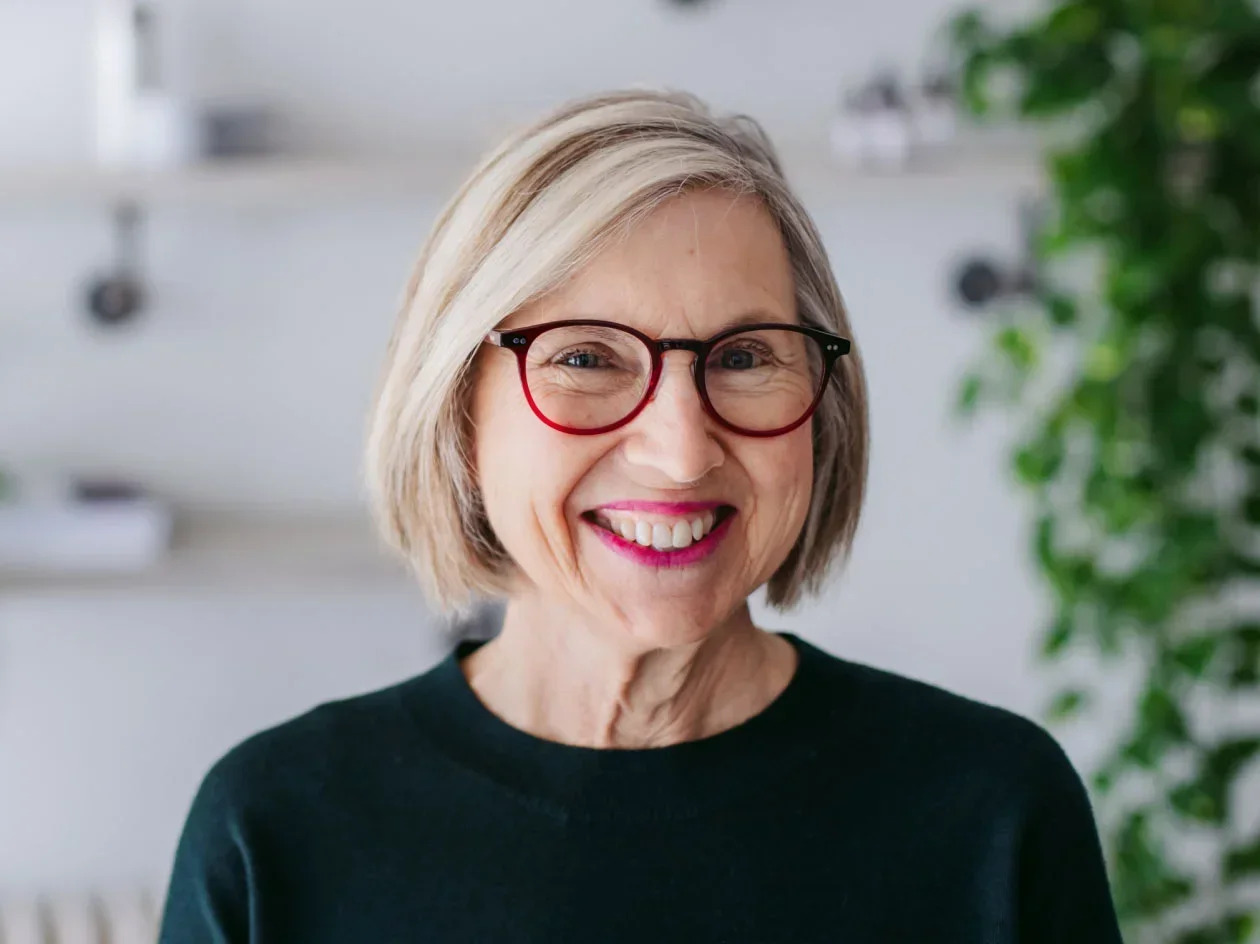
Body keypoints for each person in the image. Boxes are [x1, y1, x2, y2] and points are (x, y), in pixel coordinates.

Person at [157, 88, 1123, 943]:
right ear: (456, 406)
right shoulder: (275, 831)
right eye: (585, 358)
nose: (683, 450)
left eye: (744, 357)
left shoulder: (993, 811)